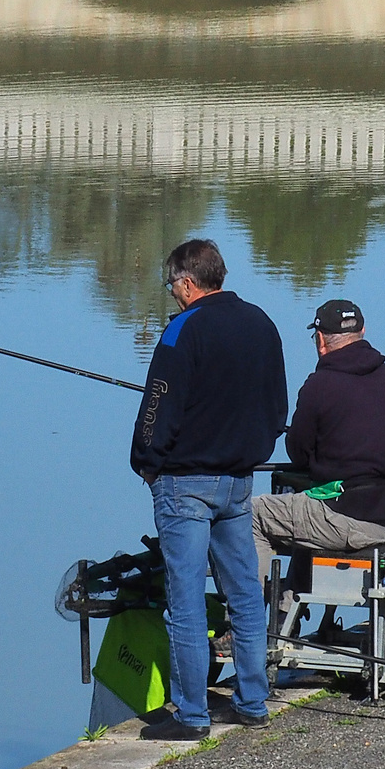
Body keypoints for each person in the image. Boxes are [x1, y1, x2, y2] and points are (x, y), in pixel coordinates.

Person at [130, 239, 287, 741]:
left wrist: (146, 463)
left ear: (188, 282)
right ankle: (253, 702)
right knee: (243, 594)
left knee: (185, 600)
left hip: (184, 484)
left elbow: (158, 406)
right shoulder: (261, 323)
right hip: (239, 481)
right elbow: (277, 405)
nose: (172, 295)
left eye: (172, 285)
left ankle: (192, 715)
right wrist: (253, 451)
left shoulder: (182, 330)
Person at [252, 299, 385, 585]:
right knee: (307, 509)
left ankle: (243, 623)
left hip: (352, 519)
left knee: (251, 514)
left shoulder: (320, 385)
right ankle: (285, 612)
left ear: (320, 341)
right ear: (363, 330)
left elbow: (298, 453)